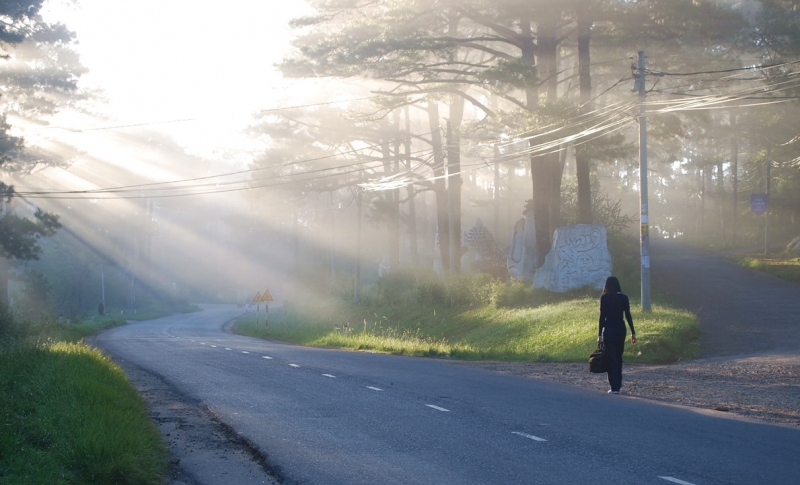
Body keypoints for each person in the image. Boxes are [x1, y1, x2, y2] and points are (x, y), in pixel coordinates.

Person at [598, 276, 636, 394]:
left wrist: (599, 334)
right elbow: (628, 315)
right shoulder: (624, 298)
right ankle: (618, 385)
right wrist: (633, 332)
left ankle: (614, 386)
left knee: (611, 358)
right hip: (620, 329)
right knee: (618, 357)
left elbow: (602, 317)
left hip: (609, 329)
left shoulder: (604, 298)